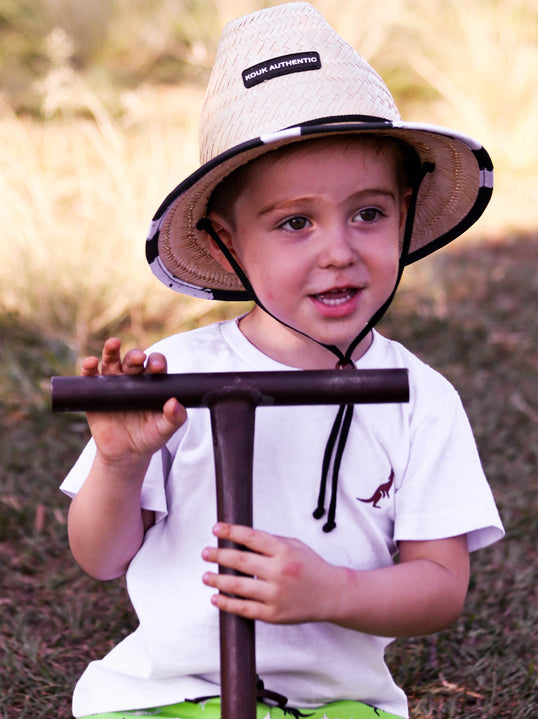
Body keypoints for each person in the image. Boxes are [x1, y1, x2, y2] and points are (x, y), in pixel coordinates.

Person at [60, 3, 504, 718]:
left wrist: (334, 591)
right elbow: (101, 557)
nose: (338, 249)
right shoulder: (176, 373)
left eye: (368, 213)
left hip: (337, 706)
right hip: (164, 700)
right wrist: (118, 463)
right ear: (227, 241)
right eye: (295, 222)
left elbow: (440, 585)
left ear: (407, 209)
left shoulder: (421, 397)